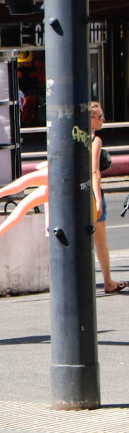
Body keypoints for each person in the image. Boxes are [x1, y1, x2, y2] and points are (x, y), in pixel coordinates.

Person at [91, 102, 125, 294]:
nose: (103, 119)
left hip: (73, 194)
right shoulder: (95, 140)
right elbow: (95, 172)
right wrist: (97, 199)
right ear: (90, 119)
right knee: (100, 240)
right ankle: (108, 282)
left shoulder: (71, 137)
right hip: (91, 192)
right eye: (100, 117)